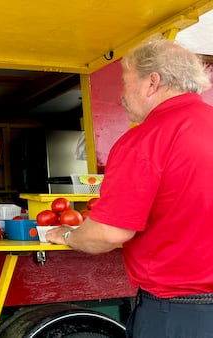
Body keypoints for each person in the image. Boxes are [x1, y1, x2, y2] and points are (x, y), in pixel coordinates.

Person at [46, 39, 213, 337]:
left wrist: (67, 235)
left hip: (176, 316)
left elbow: (109, 233)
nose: (122, 96)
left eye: (125, 82)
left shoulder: (145, 139)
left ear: (152, 82)